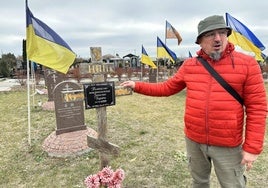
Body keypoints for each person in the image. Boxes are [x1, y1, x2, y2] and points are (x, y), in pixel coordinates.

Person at [121, 15, 267, 188]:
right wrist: (137, 85)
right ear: (200, 41)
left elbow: (257, 108)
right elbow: (167, 88)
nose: (218, 38)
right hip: (194, 141)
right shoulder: (190, 65)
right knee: (199, 182)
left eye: (222, 32)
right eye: (210, 34)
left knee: (233, 185)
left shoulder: (247, 64)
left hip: (228, 144)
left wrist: (251, 147)